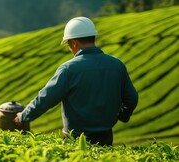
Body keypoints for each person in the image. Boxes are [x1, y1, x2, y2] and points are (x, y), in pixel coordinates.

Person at [14, 17, 138, 146]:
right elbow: (132, 98)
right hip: (106, 137)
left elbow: (46, 99)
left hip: (75, 140)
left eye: (68, 44)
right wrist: (123, 116)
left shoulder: (69, 69)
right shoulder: (117, 65)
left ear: (73, 43)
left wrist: (23, 116)